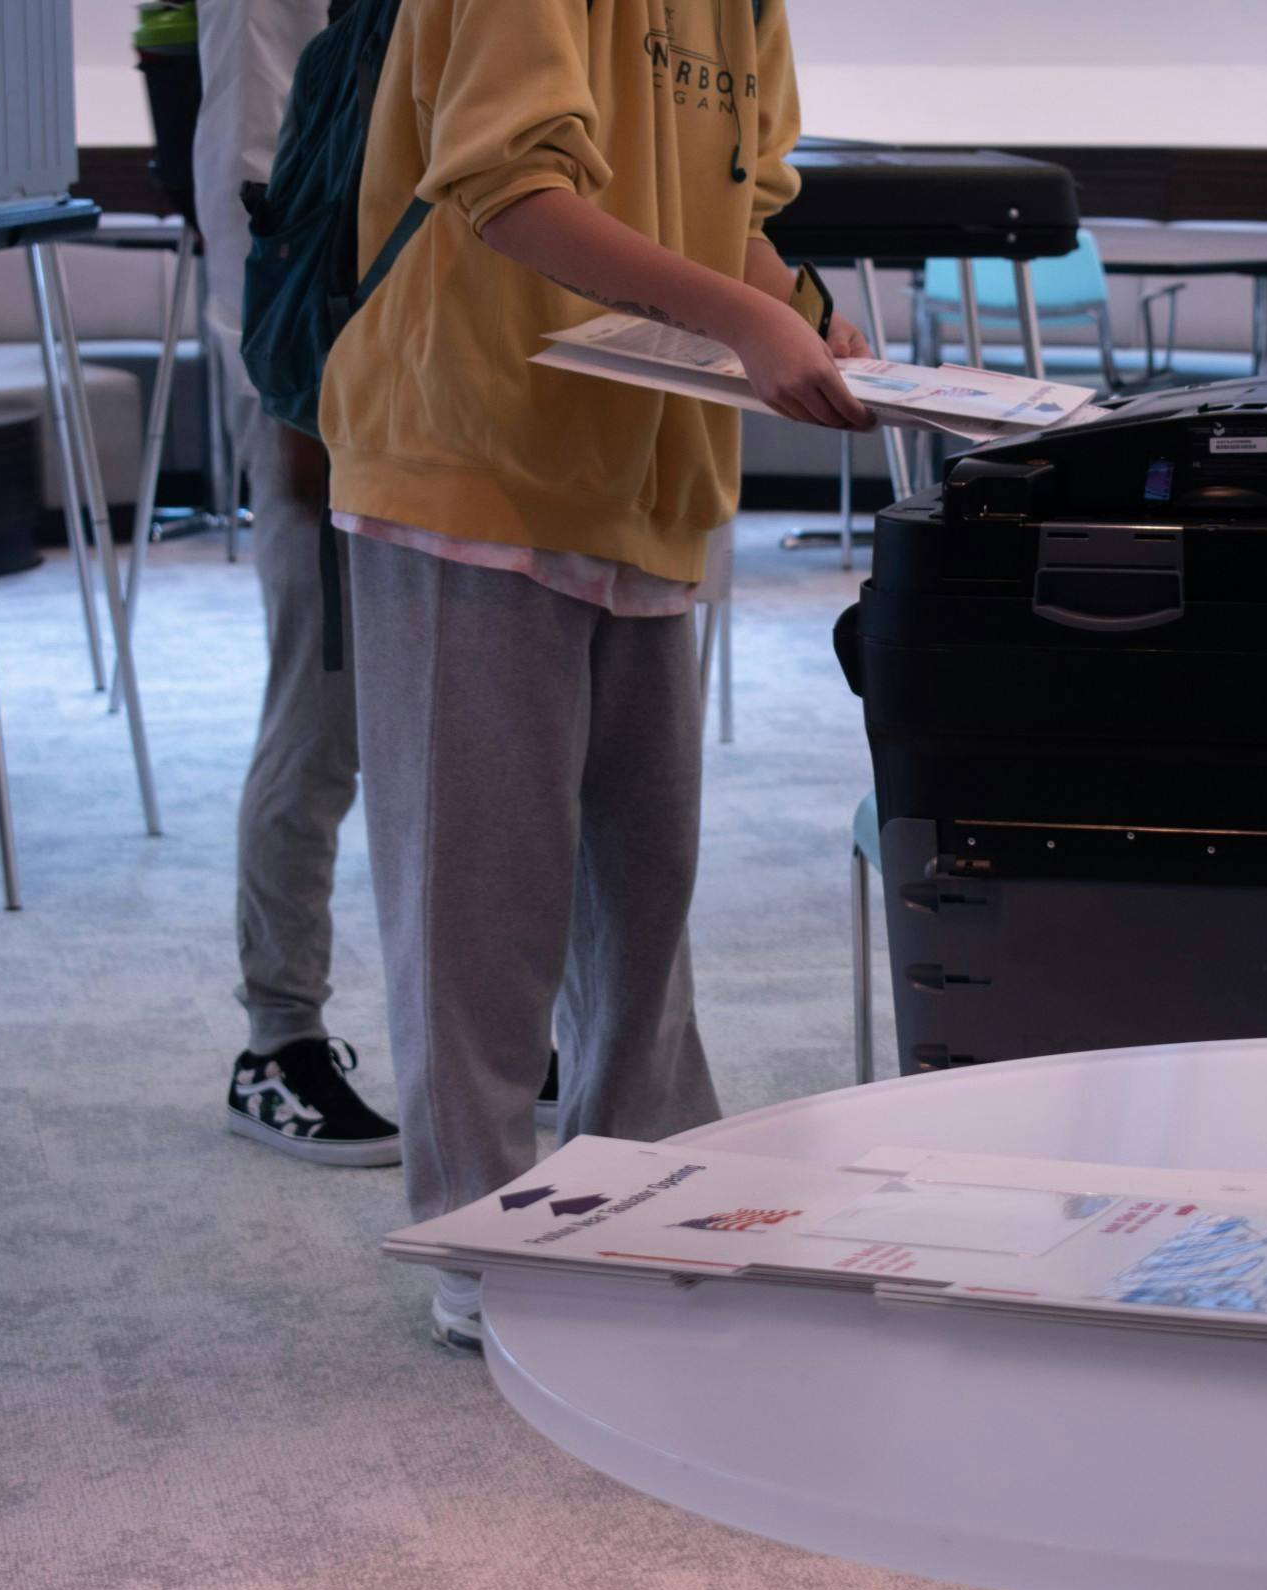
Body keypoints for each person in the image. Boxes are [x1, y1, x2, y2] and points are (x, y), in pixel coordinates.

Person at [319, 0, 872, 1348]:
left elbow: (728, 207)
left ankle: (642, 1185)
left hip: (641, 461)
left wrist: (803, 313)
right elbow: (509, 188)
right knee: (478, 891)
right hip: (473, 450)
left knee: (640, 877)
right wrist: (746, 316)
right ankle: (483, 1232)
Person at [194, 0, 401, 1165]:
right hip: (310, 374)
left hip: (435, 374)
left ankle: (496, 1022)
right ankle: (276, 1043)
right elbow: (249, 181)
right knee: (321, 719)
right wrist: (291, 399)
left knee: (474, 724)